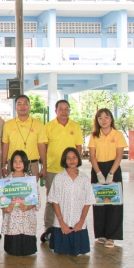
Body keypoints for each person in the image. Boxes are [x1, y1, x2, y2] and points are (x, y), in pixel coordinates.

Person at [42, 100, 84, 242]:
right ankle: (49, 228)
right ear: (56, 111)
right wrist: (44, 167)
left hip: (71, 169)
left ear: (70, 111)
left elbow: (79, 147)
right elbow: (43, 147)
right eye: (61, 108)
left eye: (66, 109)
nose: (64, 111)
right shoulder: (48, 127)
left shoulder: (75, 126)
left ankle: (69, 226)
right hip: (53, 168)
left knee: (71, 198)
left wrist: (76, 165)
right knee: (51, 200)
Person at [88, 108, 127, 248]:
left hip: (113, 169)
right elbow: (92, 156)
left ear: (111, 119)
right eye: (100, 118)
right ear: (97, 121)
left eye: (106, 117)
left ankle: (112, 236)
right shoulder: (94, 135)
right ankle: (102, 234)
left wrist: (111, 173)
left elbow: (119, 155)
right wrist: (98, 173)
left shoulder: (118, 135)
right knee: (99, 202)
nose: (103, 120)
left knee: (114, 203)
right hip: (97, 168)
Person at [48, 148, 96, 255]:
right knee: (61, 255)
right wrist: (62, 223)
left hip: (78, 224)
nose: (72, 160)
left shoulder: (84, 178)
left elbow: (88, 202)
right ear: (64, 160)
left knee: (77, 253)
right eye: (68, 158)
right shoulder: (59, 178)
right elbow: (54, 201)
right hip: (62, 224)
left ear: (78, 159)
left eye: (74, 157)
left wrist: (81, 222)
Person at [1, 150, 39, 256]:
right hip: (12, 219)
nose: (18, 164)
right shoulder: (6, 181)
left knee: (27, 249)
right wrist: (5, 209)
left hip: (27, 218)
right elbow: (1, 202)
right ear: (11, 163)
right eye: (15, 161)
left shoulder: (31, 181)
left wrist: (28, 207)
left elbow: (37, 200)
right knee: (12, 250)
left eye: (21, 161)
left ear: (25, 163)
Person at [2, 95, 47, 181]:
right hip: (13, 165)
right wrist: (3, 166)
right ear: (15, 107)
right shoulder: (8, 124)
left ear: (29, 106)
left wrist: (44, 167)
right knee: (12, 192)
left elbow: (42, 146)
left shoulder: (38, 124)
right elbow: (5, 146)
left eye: (25, 103)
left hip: (32, 165)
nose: (22, 106)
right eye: (19, 104)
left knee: (31, 193)